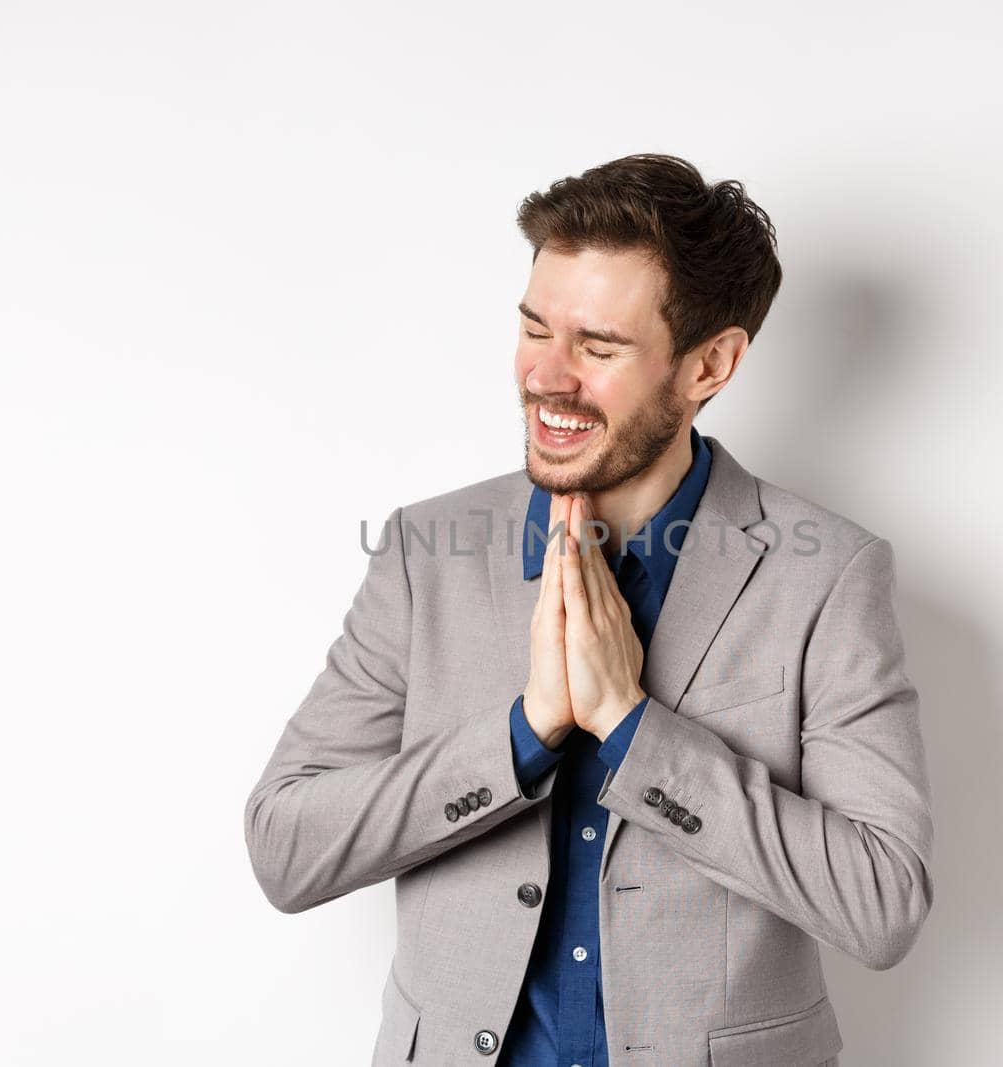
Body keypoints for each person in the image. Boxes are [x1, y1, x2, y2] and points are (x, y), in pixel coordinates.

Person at [243, 153, 935, 1066]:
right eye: (534, 329)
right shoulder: (423, 554)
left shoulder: (829, 575)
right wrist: (524, 735)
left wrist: (633, 729)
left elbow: (881, 901)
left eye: (598, 347)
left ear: (710, 363)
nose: (547, 377)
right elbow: (287, 848)